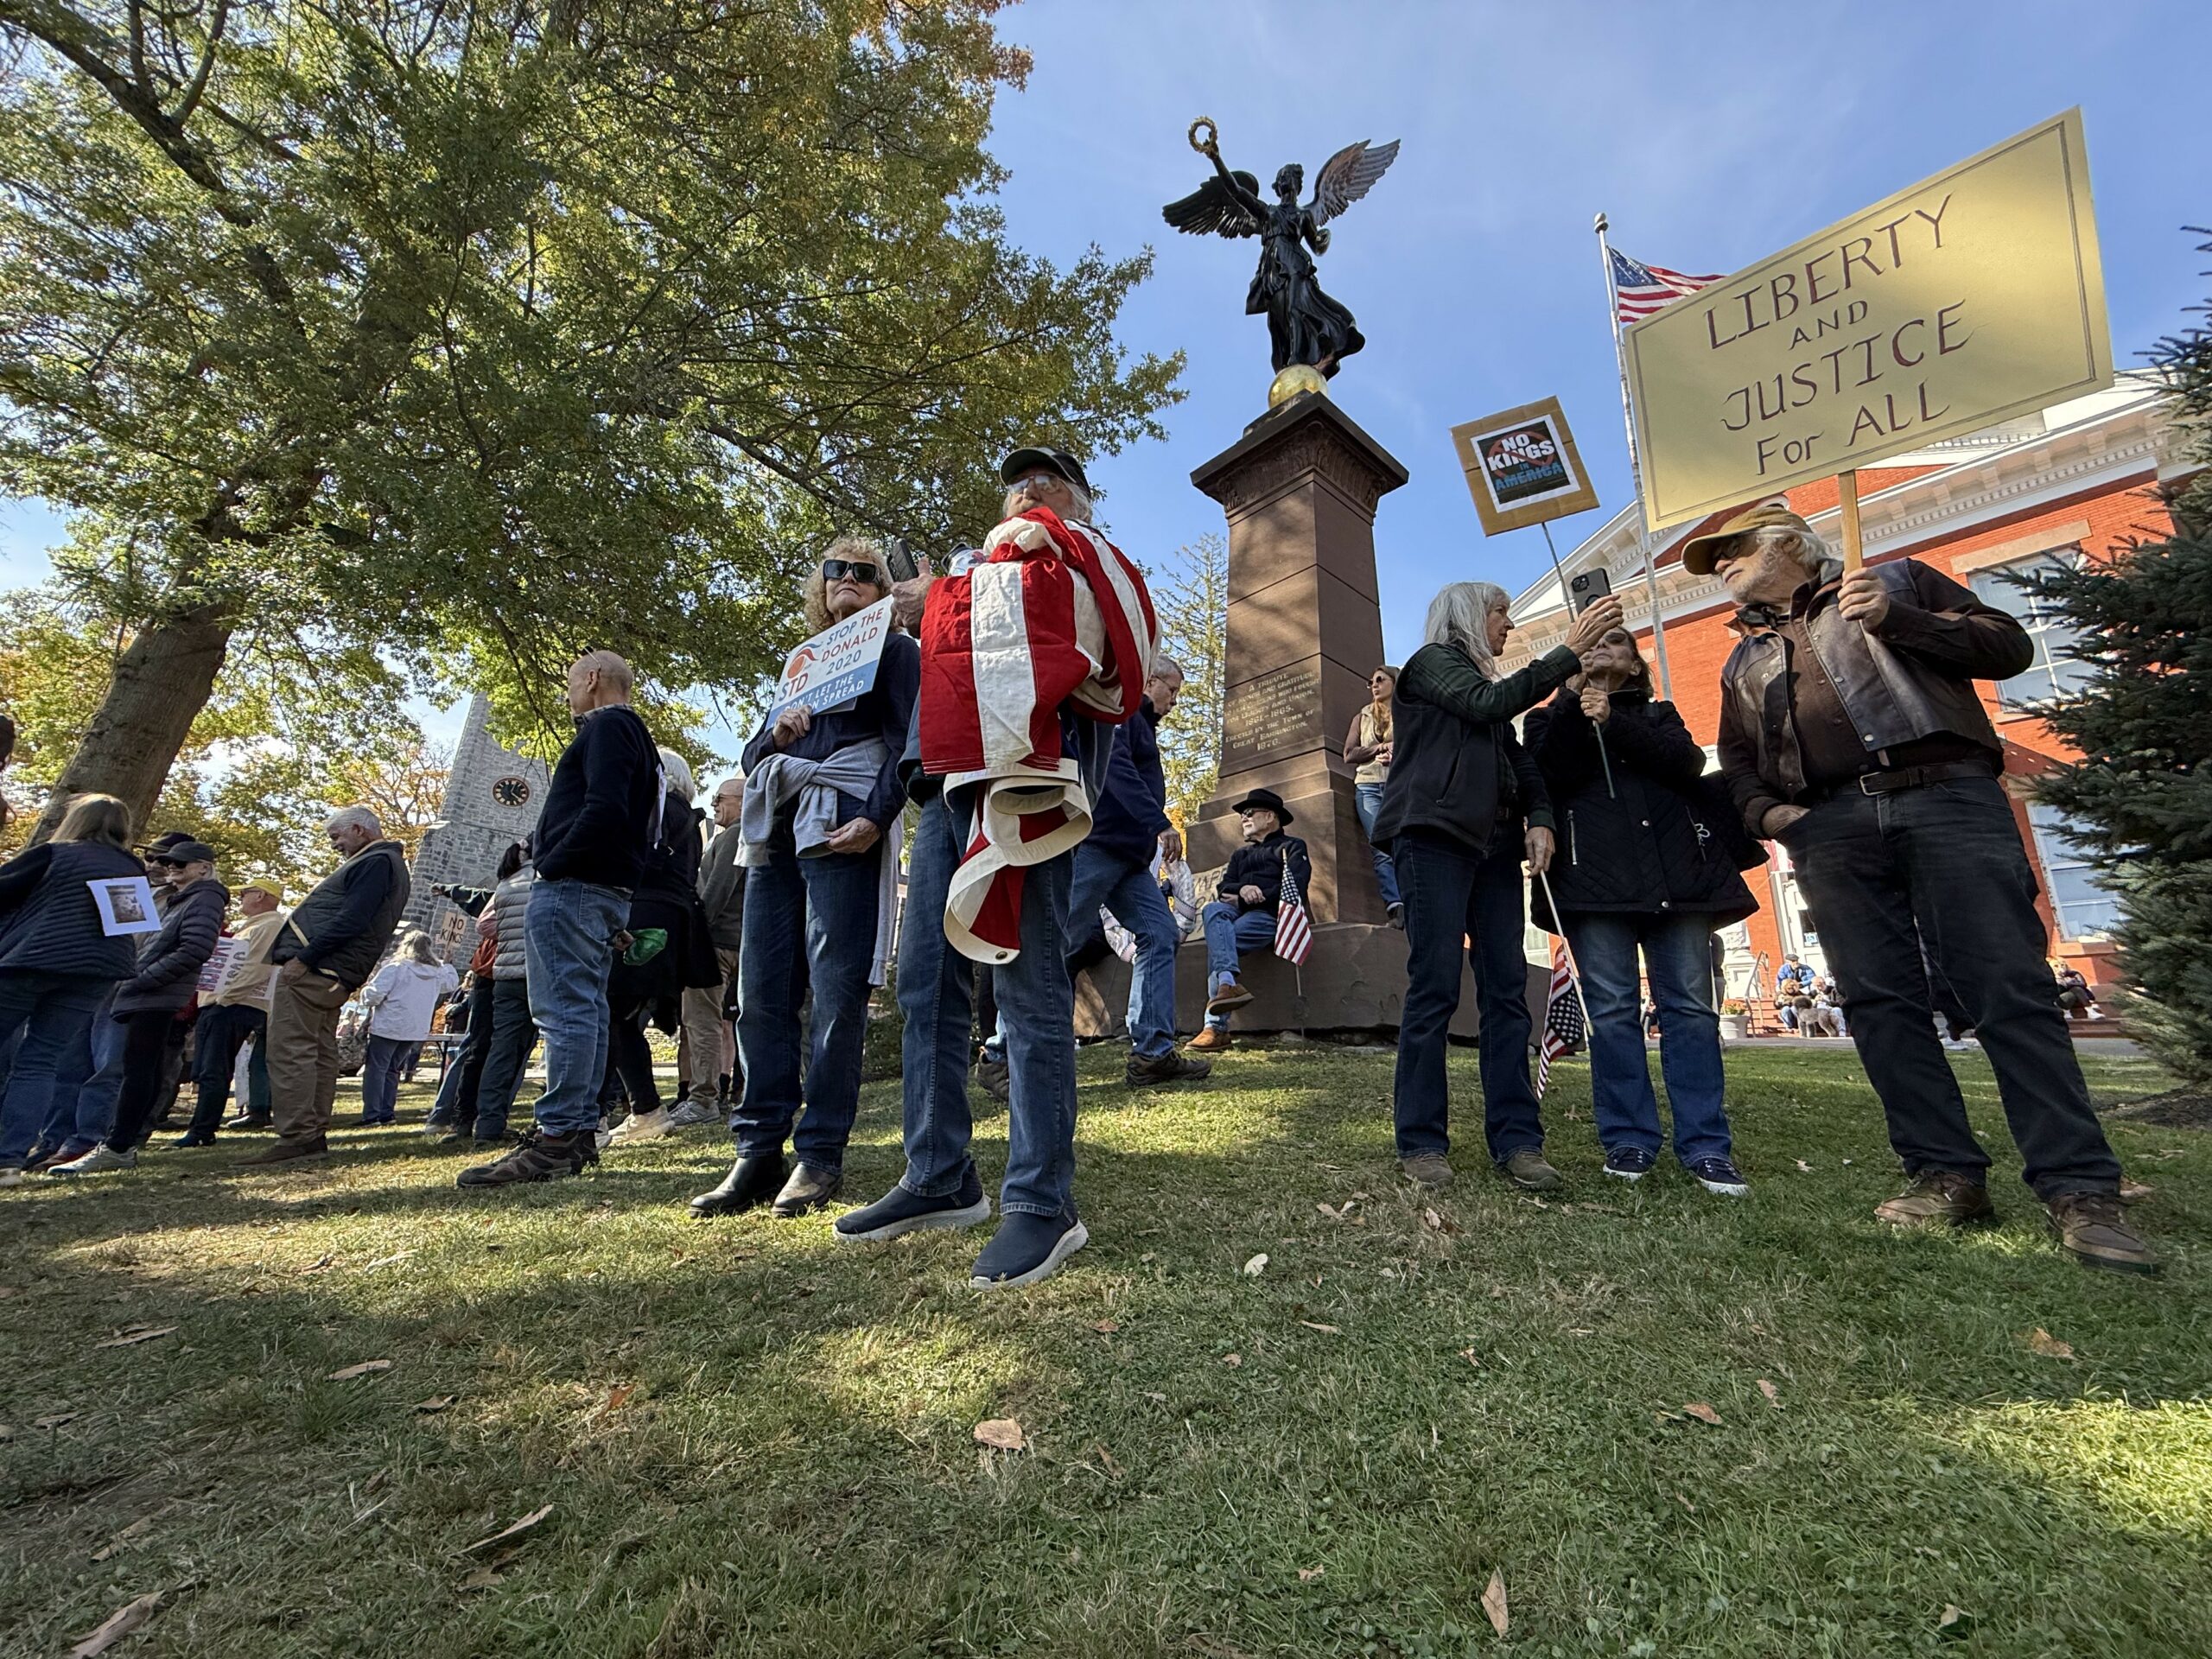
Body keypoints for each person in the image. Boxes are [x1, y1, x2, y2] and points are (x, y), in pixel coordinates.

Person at [1700, 503, 2154, 1273]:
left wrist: (1901, 618)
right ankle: (1944, 1174)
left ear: (1787, 543)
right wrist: (1774, 815)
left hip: (1946, 796)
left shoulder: (1898, 581)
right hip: (1832, 825)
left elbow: (2006, 646)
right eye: (1715, 564)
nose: (1721, 569)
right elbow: (1738, 756)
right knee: (1879, 1003)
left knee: (2007, 989)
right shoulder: (1743, 660)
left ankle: (2079, 1188)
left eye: (1731, 551)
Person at [836, 446, 1155, 1288]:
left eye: (1051, 480)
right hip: (941, 782)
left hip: (1025, 781)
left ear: (1083, 502)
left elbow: (1086, 640)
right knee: (923, 983)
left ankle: (1043, 1206)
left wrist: (934, 598)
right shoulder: (988, 567)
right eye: (1019, 480)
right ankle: (939, 1174)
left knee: (1026, 980)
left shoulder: (1084, 560)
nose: (1030, 489)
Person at [694, 540, 918, 1217]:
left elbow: (910, 738)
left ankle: (818, 1154)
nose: (849, 580)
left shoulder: (895, 653)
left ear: (883, 591)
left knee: (834, 993)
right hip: (776, 830)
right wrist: (777, 738)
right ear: (818, 587)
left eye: (865, 574)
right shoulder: (802, 664)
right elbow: (753, 752)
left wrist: (877, 817)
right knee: (760, 994)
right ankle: (757, 1150)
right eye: (837, 572)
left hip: (841, 820)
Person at [1376, 579, 1624, 1192]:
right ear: (1466, 616)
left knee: (1508, 990)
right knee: (1434, 986)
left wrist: (1539, 818)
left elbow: (1517, 758)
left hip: (1494, 845)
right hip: (1432, 835)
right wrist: (1567, 653)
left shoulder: (1484, 693)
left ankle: (1517, 1139)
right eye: (1500, 613)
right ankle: (1423, 1142)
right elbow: (1489, 706)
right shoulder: (1432, 665)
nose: (1509, 624)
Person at [1525, 624, 1756, 1196]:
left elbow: (1683, 766)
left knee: (1690, 1012)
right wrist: (1577, 707)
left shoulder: (1660, 715)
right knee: (1612, 1013)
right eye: (1591, 643)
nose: (1602, 649)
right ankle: (1628, 1137)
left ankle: (1706, 1146)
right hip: (1591, 881)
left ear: (1634, 666)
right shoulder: (1545, 718)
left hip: (1678, 880)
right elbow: (1550, 774)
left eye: (1616, 643)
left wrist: (1615, 719)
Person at [460, 652, 660, 1188]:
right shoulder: (636, 738)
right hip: (603, 887)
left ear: (592, 679)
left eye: (572, 683)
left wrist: (549, 863)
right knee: (586, 1011)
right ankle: (575, 1132)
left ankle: (558, 1135)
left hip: (575, 886)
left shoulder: (609, 727)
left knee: (565, 1010)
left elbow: (605, 808)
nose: (569, 694)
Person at [1065, 655, 1210, 1086]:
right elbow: (1114, 769)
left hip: (1128, 857)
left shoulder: (1140, 723)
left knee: (1159, 933)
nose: (1176, 701)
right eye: (1174, 690)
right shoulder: (1122, 709)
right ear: (1149, 680)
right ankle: (1000, 1050)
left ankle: (1152, 1052)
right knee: (1057, 940)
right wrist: (1160, 821)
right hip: (1098, 843)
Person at [239, 807, 411, 1166]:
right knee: (316, 1051)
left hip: (318, 969)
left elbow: (353, 917)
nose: (336, 846)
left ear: (359, 830)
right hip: (333, 970)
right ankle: (310, 1133)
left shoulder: (376, 861)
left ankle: (298, 1135)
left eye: (338, 837)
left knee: (291, 1051)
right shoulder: (383, 862)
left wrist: (305, 958)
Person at [54, 840, 226, 1173]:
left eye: (180, 864)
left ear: (203, 868)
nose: (169, 868)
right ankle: (118, 1143)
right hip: (145, 992)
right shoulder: (185, 897)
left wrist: (139, 979)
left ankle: (118, 1145)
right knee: (139, 1069)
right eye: (166, 863)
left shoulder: (204, 896)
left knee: (138, 1071)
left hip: (153, 994)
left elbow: (195, 949)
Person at [0, 795, 144, 1185]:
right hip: (95, 972)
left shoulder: (51, 854)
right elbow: (127, 926)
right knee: (40, 1062)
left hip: (30, 961)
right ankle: (9, 1161)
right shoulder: (132, 867)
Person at [601, 747, 717, 1148]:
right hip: (675, 924)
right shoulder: (690, 819)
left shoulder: (658, 810)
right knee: (625, 1016)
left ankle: (642, 1109)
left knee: (615, 1013)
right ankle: (632, 1108)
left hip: (645, 920)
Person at [1188, 790, 1312, 1052]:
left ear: (1270, 817)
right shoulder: (1240, 855)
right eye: (1241, 815)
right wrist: (1243, 890)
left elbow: (1295, 890)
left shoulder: (1292, 847)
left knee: (1221, 940)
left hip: (1269, 917)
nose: (1243, 818)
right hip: (1236, 915)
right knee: (1212, 911)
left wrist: (1245, 899)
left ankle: (1215, 1028)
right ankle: (1227, 986)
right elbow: (1225, 888)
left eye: (1249, 813)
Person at [173, 876, 285, 1146]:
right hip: (224, 1003)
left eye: (245, 893)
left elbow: (256, 967)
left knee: (214, 1069)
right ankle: (201, 1127)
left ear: (260, 896)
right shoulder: (255, 926)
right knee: (208, 1068)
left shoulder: (270, 924)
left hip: (233, 1005)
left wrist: (225, 997)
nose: (240, 898)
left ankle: (202, 1131)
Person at [671, 774, 747, 1128]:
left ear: (743, 802)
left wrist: (693, 934)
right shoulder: (737, 835)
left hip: (715, 944)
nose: (714, 803)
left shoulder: (734, 835)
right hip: (732, 943)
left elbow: (716, 891)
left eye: (721, 798)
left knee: (702, 1022)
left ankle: (702, 1100)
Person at [357, 931, 459, 1126]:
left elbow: (373, 996)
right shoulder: (435, 973)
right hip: (414, 1028)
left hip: (389, 1025)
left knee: (376, 1070)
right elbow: (451, 983)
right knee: (393, 1070)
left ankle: (372, 1114)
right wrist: (447, 962)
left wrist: (366, 990)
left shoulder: (396, 968)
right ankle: (387, 1113)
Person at [1344, 664, 1403, 926]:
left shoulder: (1407, 713)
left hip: (1399, 787)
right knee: (1380, 846)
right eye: (1371, 682)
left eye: (1380, 680)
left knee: (1402, 845)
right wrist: (1380, 748)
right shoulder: (1362, 717)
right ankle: (1396, 906)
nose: (1375, 685)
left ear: (1394, 682)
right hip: (1368, 786)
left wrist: (1395, 753)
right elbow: (1349, 754)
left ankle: (1414, 902)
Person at [1774, 953, 1812, 1031]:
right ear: (1788, 962)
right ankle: (1789, 1026)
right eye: (1793, 961)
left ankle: (1802, 1024)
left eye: (1796, 960)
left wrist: (1801, 984)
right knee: (1786, 1009)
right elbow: (1781, 980)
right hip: (1787, 986)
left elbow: (1812, 978)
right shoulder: (1783, 969)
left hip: (1801, 987)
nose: (1796, 962)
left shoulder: (1805, 968)